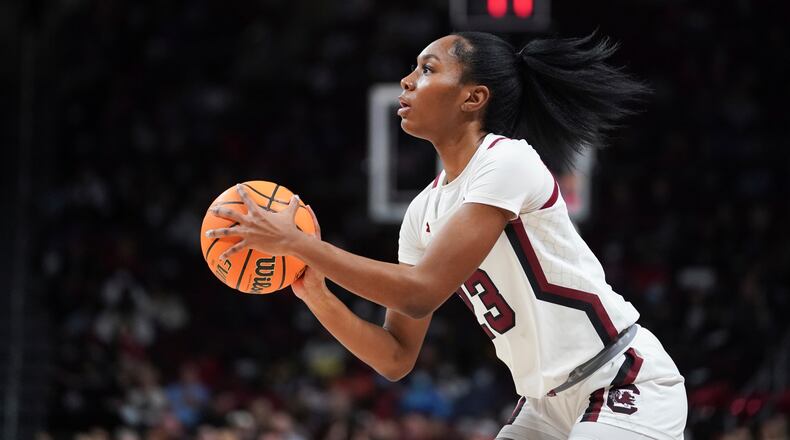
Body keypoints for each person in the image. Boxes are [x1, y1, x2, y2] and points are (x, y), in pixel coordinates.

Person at [205, 31, 688, 440]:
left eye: (427, 69)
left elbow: (422, 293)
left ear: (473, 98)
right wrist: (316, 293)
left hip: (620, 379)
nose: (407, 80)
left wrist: (299, 243)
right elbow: (395, 356)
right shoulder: (422, 212)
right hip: (543, 405)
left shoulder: (507, 161)